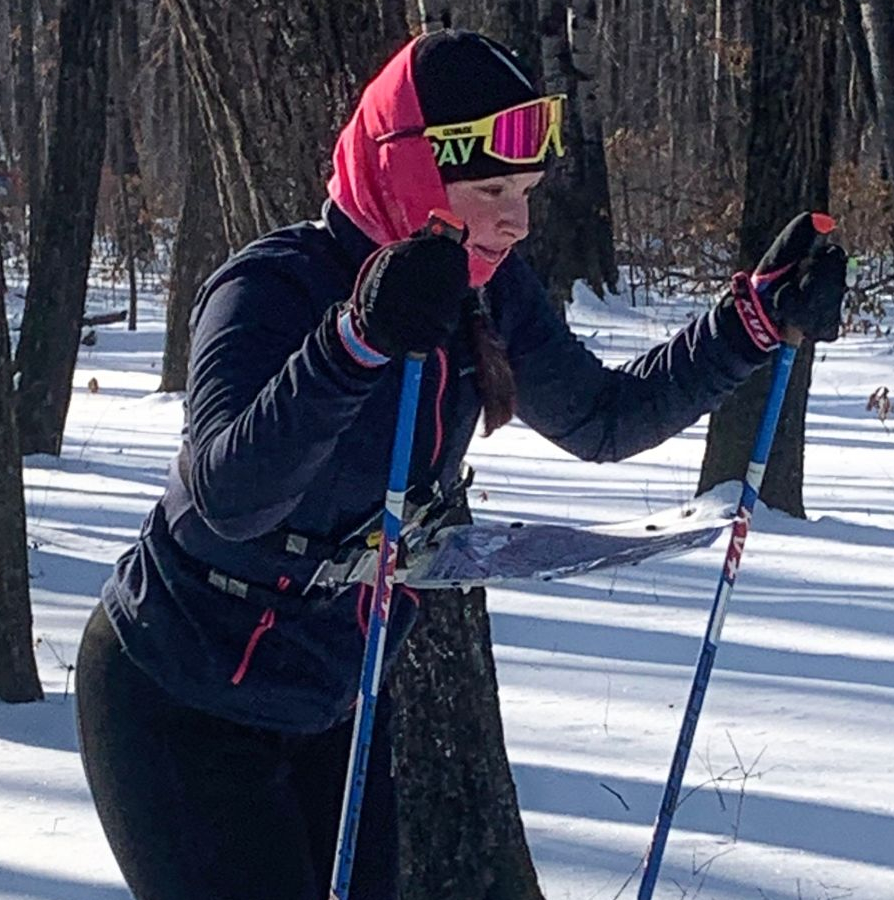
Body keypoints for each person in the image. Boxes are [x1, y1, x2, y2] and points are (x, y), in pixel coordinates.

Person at [74, 28, 847, 900]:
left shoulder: (489, 285)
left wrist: (751, 321)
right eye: (490, 190)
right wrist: (355, 342)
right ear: (409, 173)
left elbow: (601, 419)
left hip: (332, 699)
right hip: (180, 698)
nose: (516, 220)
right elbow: (230, 495)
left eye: (524, 191)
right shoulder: (270, 288)